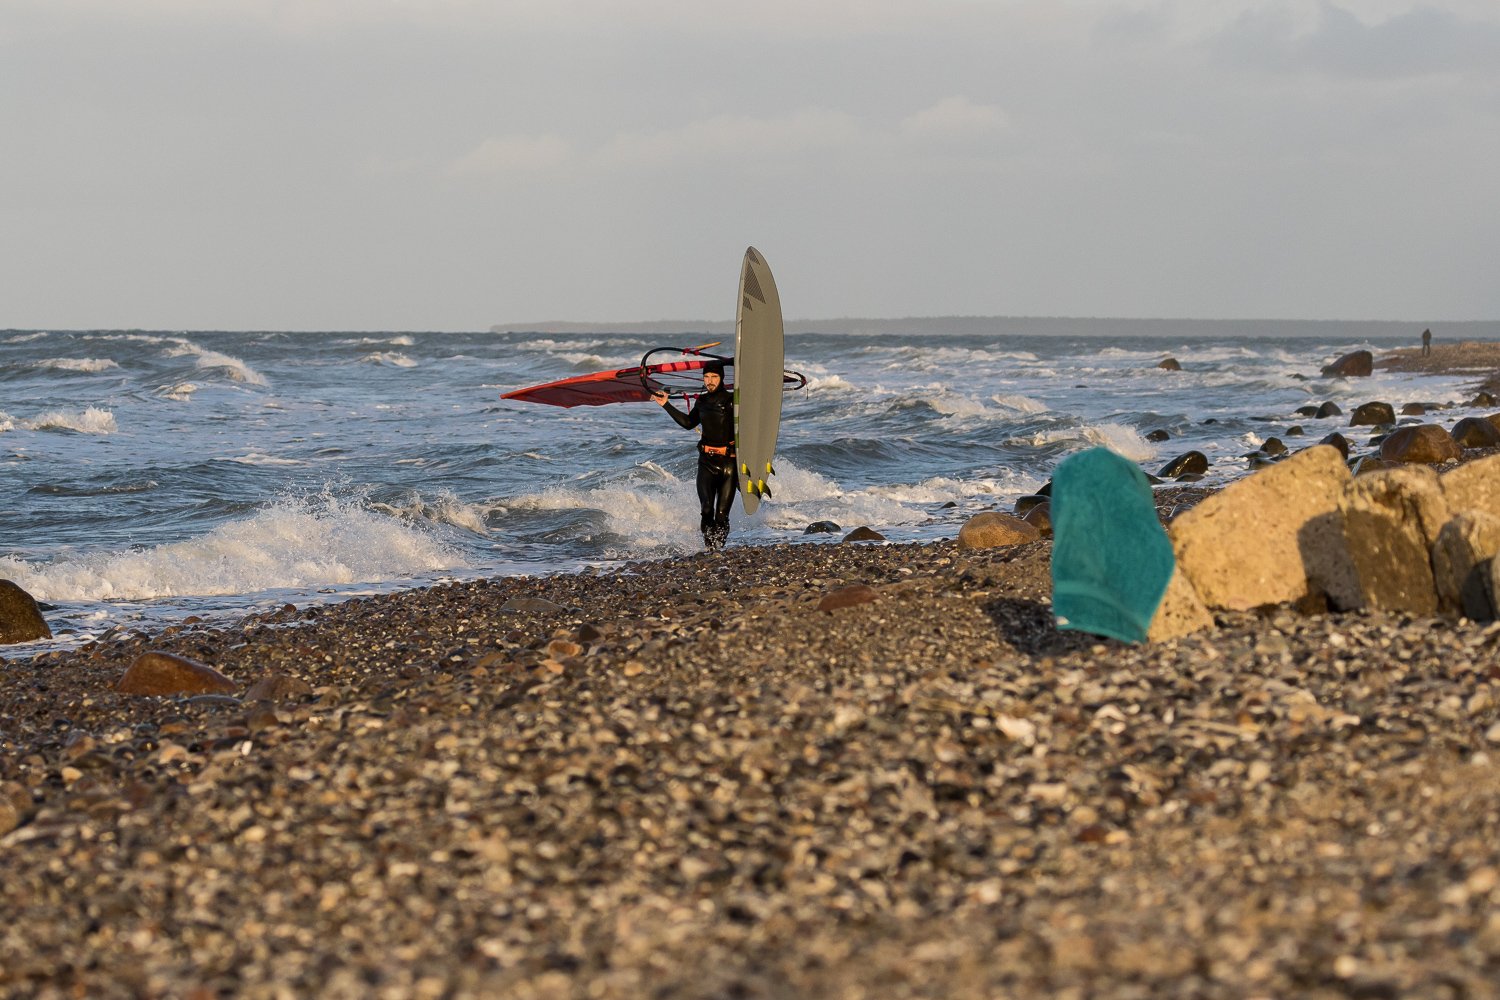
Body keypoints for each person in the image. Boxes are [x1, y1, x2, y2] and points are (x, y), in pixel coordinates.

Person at [654, 362, 736, 550]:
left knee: (722, 514)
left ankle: (719, 547)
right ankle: (710, 548)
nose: (710, 381)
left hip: (729, 463)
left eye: (714, 377)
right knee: (707, 509)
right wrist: (666, 404)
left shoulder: (733, 401)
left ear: (722, 377)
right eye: (706, 377)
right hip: (706, 462)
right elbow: (689, 423)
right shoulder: (702, 401)